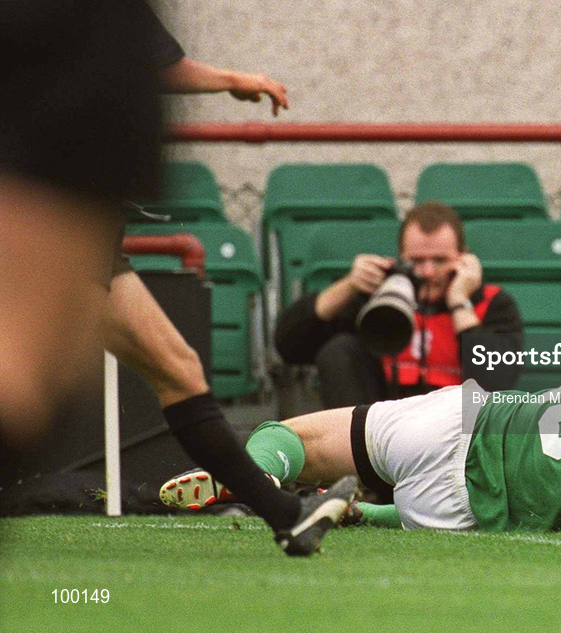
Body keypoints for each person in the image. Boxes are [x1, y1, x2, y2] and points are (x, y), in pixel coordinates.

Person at [1, 0, 351, 557]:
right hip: (47, 212)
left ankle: (287, 516)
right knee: (20, 385)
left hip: (85, 234)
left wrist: (231, 80)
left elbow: (152, 63)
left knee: (176, 369)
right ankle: (286, 515)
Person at [163, 337, 561, 536]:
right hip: (465, 497)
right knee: (396, 519)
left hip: (459, 416)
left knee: (292, 435)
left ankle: (255, 476)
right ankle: (354, 514)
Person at [275, 201, 524, 409]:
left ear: (463, 257)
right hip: (381, 430)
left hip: (457, 430)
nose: (427, 272)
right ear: (400, 256)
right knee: (340, 349)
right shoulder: (378, 298)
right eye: (416, 261)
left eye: (440, 260)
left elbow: (498, 381)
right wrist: (349, 285)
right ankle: (351, 466)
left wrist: (460, 303)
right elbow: (290, 346)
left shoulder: (492, 303)